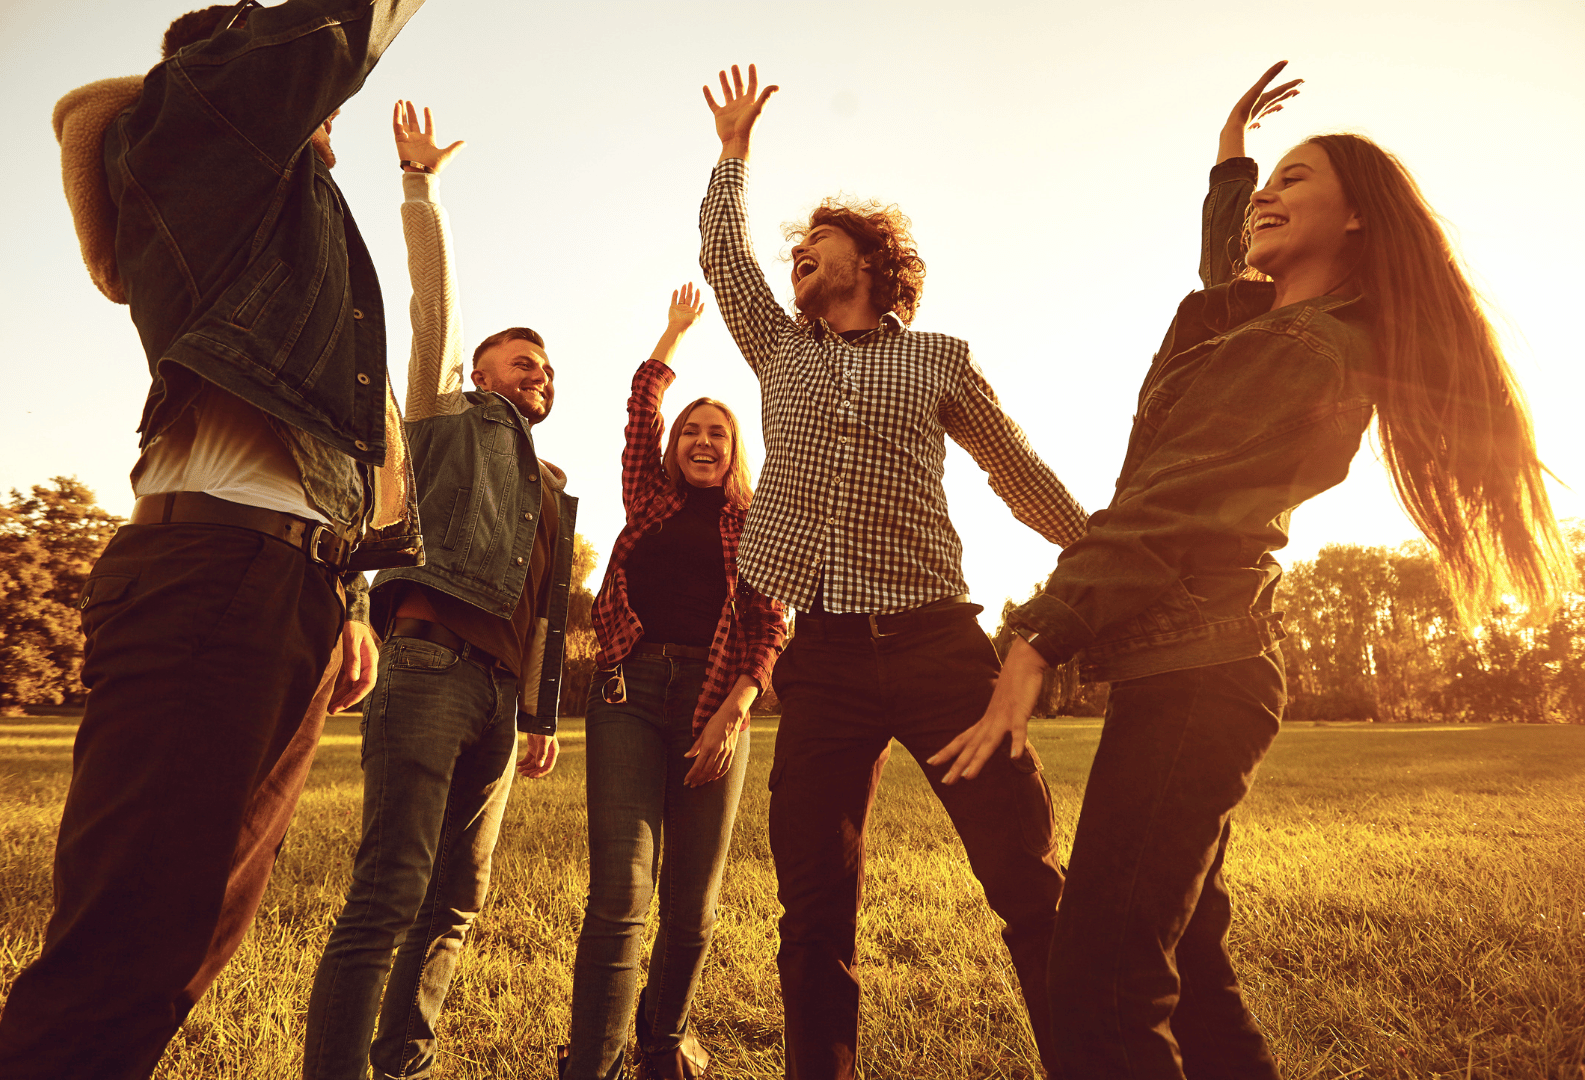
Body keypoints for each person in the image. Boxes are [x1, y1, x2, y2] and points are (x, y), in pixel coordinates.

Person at [932, 63, 1576, 1080]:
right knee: (1188, 968)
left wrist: (1037, 637)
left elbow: (1168, 505)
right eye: (1267, 185)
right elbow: (1225, 270)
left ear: (1358, 218)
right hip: (1190, 672)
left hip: (1197, 681)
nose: (1270, 196)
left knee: (1099, 991)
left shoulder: (1303, 352)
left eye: (1297, 180)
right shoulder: (1264, 322)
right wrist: (1232, 158)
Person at [0, 4, 427, 1078]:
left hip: (277, 585)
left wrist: (351, 589)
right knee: (127, 948)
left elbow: (344, 434)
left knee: (180, 944)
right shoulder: (206, 128)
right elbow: (332, 28)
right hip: (215, 582)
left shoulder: (277, 227)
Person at [697, 65, 1088, 1080]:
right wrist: (732, 158)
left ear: (869, 262)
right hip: (821, 657)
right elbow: (725, 262)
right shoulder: (778, 352)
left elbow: (1011, 466)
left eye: (816, 245)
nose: (797, 257)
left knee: (1022, 877)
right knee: (814, 903)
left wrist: (1097, 555)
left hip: (938, 652)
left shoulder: (941, 359)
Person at [303, 101, 576, 1080]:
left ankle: (403, 1066)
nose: (538, 376)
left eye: (547, 372)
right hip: (426, 668)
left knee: (459, 898)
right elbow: (432, 314)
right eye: (522, 361)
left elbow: (546, 613)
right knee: (391, 889)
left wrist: (540, 715)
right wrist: (422, 188)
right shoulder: (440, 415)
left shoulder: (549, 489)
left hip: (501, 700)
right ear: (478, 371)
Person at [560, 285, 789, 1080]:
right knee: (622, 893)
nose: (699, 440)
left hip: (717, 702)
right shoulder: (647, 499)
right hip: (628, 696)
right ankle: (590, 1063)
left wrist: (732, 712)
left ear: (734, 451)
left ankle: (661, 1042)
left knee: (692, 906)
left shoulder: (756, 523)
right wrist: (673, 336)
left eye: (716, 432)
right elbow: (637, 410)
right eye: (690, 430)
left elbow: (771, 627)